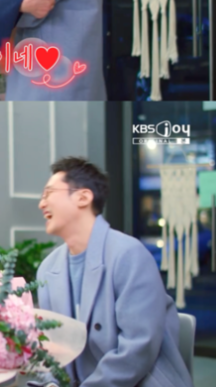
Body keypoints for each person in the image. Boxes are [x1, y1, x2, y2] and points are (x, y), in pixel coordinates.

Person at [36, 157, 193, 387]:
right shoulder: (48, 269)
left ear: (83, 197)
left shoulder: (129, 255)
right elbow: (52, 349)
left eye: (49, 193)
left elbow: (137, 349)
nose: (41, 204)